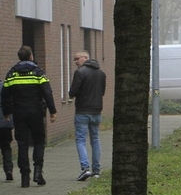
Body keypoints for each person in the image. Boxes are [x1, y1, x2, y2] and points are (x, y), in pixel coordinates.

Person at [1, 46, 57, 187]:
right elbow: (47, 92)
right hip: (36, 113)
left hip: (19, 113)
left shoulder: (12, 74)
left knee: (22, 144)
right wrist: (52, 111)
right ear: (31, 56)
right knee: (39, 141)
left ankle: (24, 178)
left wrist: (7, 112)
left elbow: (5, 95)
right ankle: (38, 173)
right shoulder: (38, 72)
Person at [69, 51, 106, 180]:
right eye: (74, 59)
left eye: (77, 58)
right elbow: (102, 91)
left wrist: (71, 94)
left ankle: (85, 169)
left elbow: (73, 91)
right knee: (95, 140)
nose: (75, 61)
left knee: (80, 140)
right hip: (96, 111)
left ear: (86, 58)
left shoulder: (80, 73)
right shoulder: (101, 73)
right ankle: (96, 171)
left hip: (82, 111)